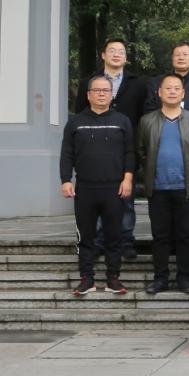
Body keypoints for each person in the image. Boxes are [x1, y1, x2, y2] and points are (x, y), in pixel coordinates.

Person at [60, 74, 134, 297]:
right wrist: (65, 180)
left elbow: (130, 152)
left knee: (114, 236)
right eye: (97, 90)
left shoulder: (122, 121)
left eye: (106, 90)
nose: (101, 94)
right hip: (85, 188)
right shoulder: (75, 122)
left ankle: (113, 278)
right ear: (88, 94)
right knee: (86, 236)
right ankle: (87, 278)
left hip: (114, 188)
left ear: (111, 95)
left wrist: (128, 178)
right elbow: (67, 153)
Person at [74, 37, 147, 260]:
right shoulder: (88, 82)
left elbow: (143, 116)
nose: (117, 55)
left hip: (126, 147)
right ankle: (97, 242)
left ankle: (125, 241)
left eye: (121, 51)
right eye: (112, 51)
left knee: (126, 198)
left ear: (125, 57)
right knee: (95, 196)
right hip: (94, 149)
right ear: (103, 55)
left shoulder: (138, 84)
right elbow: (79, 115)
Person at [138, 74, 189, 294]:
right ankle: (160, 278)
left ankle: (185, 278)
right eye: (168, 88)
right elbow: (141, 151)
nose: (172, 91)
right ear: (160, 92)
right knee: (160, 236)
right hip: (158, 189)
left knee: (185, 236)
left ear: (183, 93)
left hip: (185, 189)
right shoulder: (146, 121)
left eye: (177, 88)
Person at [144, 41, 189, 122]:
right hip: (160, 127)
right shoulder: (156, 82)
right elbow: (149, 111)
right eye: (177, 55)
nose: (181, 58)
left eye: (185, 54)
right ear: (172, 57)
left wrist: (183, 123)